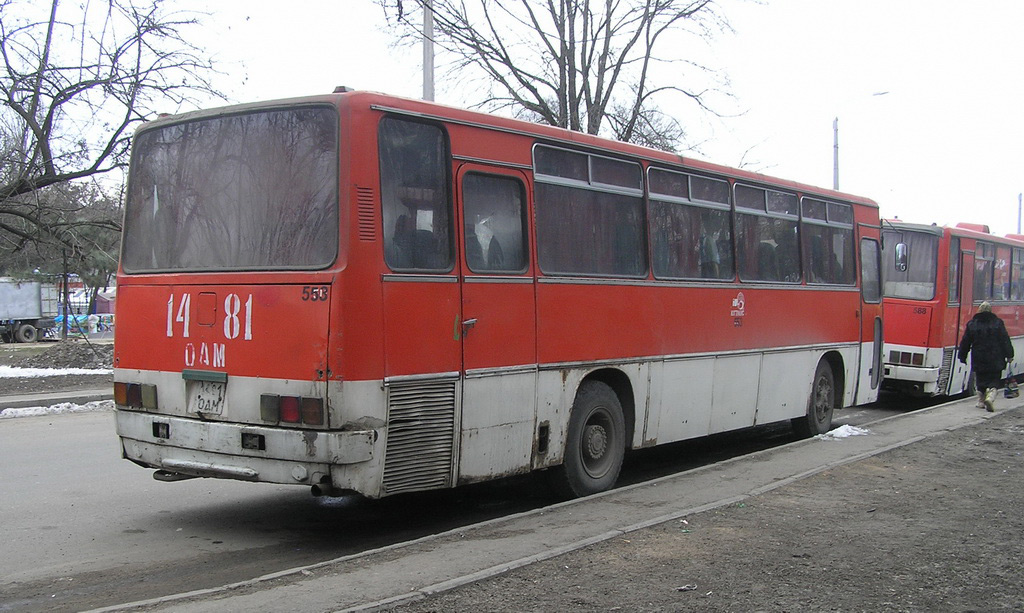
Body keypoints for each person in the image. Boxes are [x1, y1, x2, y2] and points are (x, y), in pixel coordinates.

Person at [958, 302, 1014, 412]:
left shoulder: (972, 324)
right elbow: (1005, 340)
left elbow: (965, 342)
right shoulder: (998, 323)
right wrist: (1010, 355)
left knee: (980, 380)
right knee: (994, 379)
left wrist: (962, 356)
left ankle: (981, 401)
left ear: (979, 310)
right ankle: (991, 396)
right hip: (996, 357)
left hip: (979, 357)